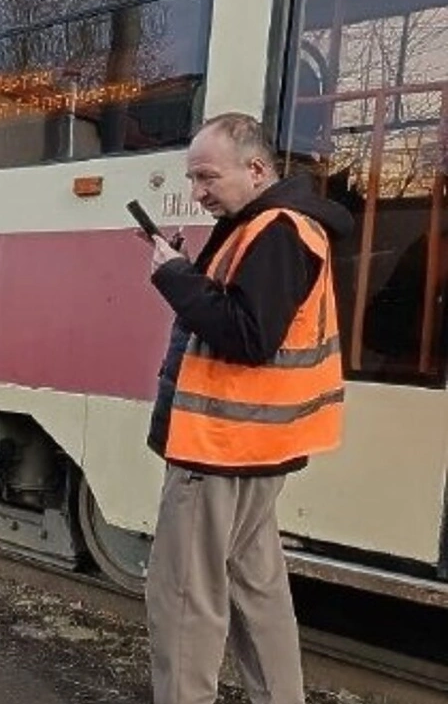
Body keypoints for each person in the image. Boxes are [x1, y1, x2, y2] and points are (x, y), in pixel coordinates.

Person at [142, 112, 353, 704]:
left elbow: (248, 335)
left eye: (207, 177)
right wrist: (189, 270)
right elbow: (240, 312)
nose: (198, 191)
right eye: (192, 179)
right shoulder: (271, 226)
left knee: (185, 600)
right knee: (255, 592)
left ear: (256, 169)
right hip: (255, 447)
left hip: (220, 448)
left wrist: (175, 278)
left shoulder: (276, 230)